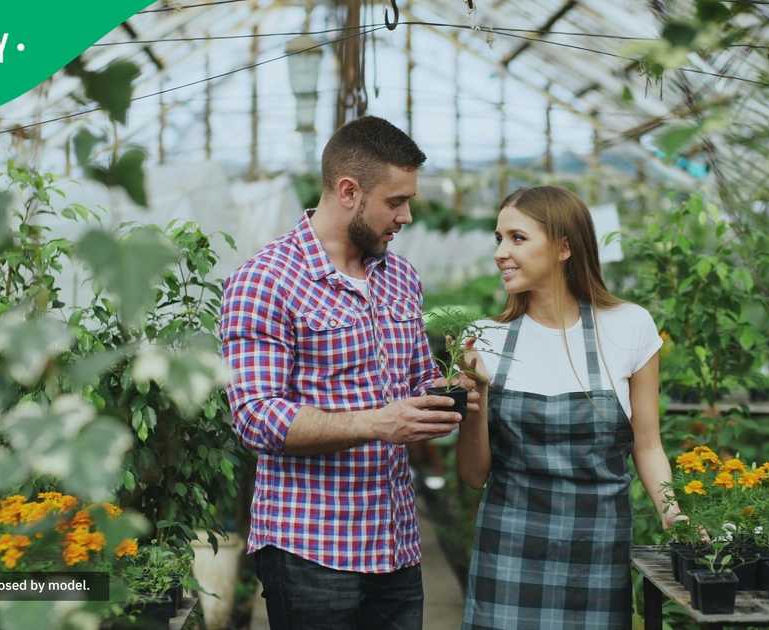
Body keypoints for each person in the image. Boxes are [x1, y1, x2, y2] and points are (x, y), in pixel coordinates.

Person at [219, 115, 467, 630]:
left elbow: (415, 382)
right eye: (395, 202)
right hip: (311, 549)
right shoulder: (266, 280)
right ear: (349, 191)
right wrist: (378, 423)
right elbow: (255, 417)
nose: (406, 216)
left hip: (396, 543)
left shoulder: (400, 276)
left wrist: (448, 390)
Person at [455, 186, 683, 630]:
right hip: (509, 551)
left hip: (597, 552)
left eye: (518, 238)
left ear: (564, 247)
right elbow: (473, 474)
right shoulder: (485, 339)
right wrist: (477, 393)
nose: (501, 253)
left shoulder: (629, 327)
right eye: (498, 239)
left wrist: (674, 513)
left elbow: (648, 445)